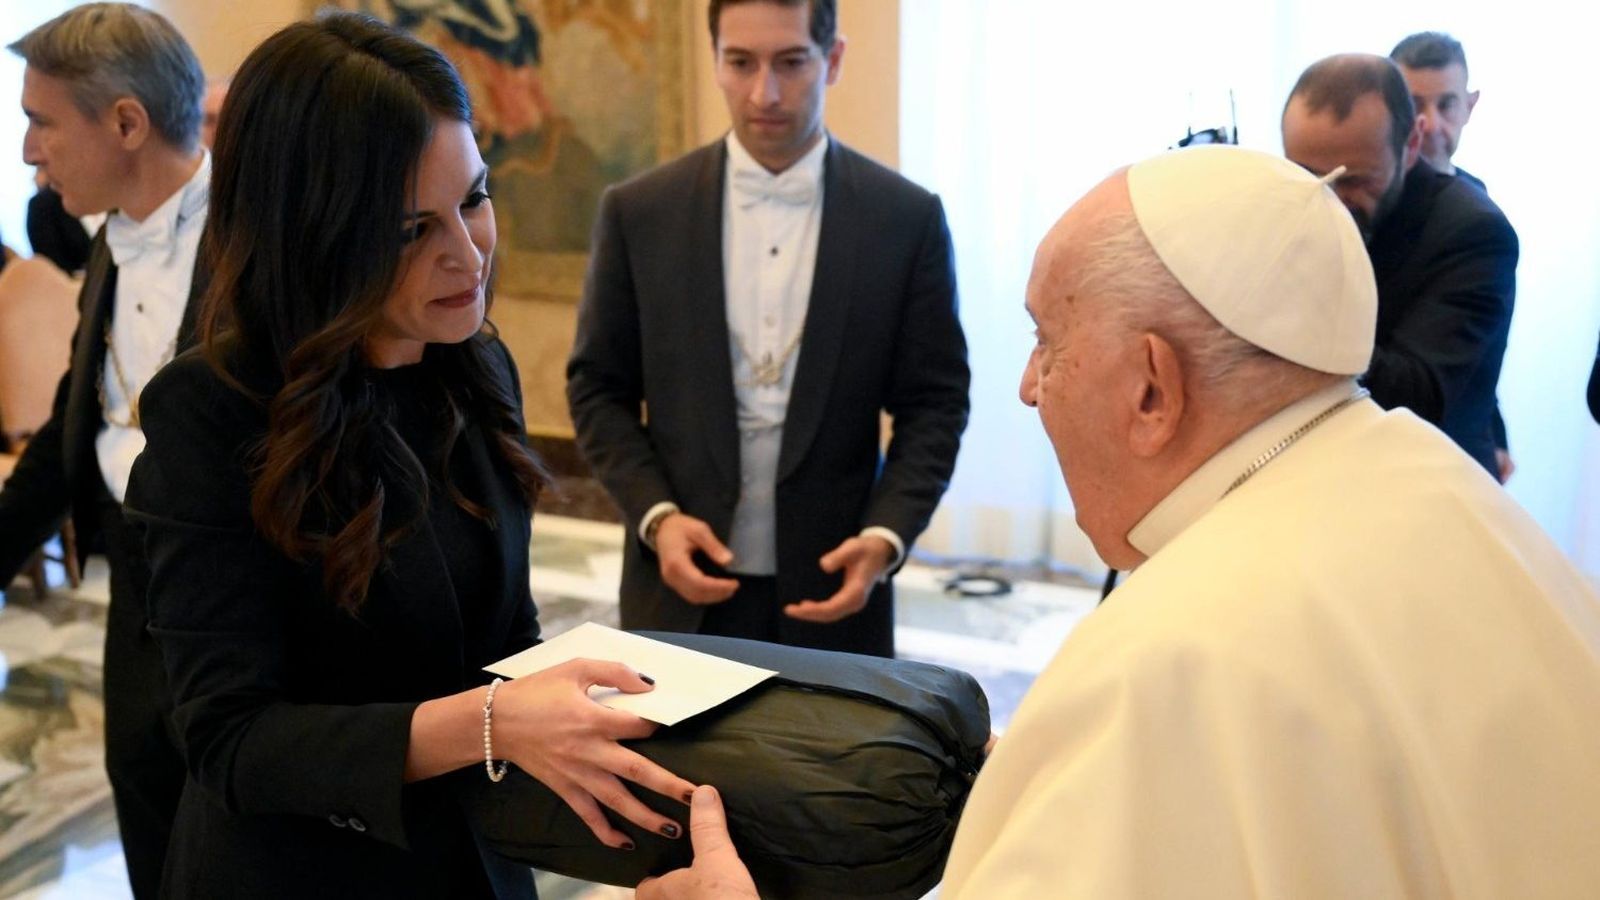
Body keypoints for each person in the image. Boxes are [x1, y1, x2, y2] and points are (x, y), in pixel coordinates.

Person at [634, 146, 1600, 898]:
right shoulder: (1443, 482)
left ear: (1151, 388)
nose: (1026, 386)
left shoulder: (1165, 663)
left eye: (1047, 342)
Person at [121, 13, 695, 898]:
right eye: (408, 231)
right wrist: (496, 721)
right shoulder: (210, 414)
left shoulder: (473, 365)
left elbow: (499, 632)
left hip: (474, 862)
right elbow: (232, 739)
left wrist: (589, 699)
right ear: (312, 234)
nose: (466, 255)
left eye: (473, 198)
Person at [566, 0, 969, 658]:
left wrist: (887, 535)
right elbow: (597, 388)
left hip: (836, 590)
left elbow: (935, 403)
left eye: (791, 63)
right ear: (716, 60)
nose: (766, 93)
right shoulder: (639, 212)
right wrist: (658, 519)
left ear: (832, 59)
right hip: (679, 591)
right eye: (741, 63)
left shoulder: (907, 219)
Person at [1, 6, 207, 894]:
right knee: (149, 814)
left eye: (41, 123)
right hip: (135, 591)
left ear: (127, 122)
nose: (27, 154)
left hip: (242, 597)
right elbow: (70, 438)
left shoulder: (265, 247)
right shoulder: (110, 244)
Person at [1282, 53, 1516, 478]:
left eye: (1353, 180)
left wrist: (1282, 322)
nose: (1330, 199)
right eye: (1309, 176)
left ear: (1410, 146)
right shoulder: (1291, 203)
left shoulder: (1474, 231)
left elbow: (1417, 394)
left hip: (1429, 490)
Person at [1390, 31, 1515, 482]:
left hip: (1451, 466)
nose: (1430, 123)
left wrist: (1494, 434)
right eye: (1413, 104)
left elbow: (1477, 339)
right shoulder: (1373, 205)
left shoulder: (1480, 213)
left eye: (1446, 104)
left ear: (1470, 105)